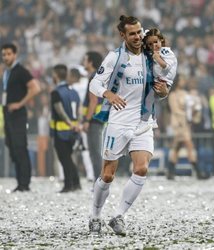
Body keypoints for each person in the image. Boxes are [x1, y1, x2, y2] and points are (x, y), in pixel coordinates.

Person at [88, 15, 169, 235]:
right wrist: (109, 94)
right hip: (118, 122)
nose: (137, 36)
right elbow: (94, 83)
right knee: (107, 175)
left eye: (139, 32)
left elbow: (161, 87)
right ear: (123, 35)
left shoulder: (150, 57)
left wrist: (164, 92)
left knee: (141, 169)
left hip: (143, 122)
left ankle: (119, 216)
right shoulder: (115, 57)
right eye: (132, 33)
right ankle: (95, 216)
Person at [1, 43, 40, 192]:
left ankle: (25, 183)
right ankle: (20, 182)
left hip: (18, 115)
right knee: (12, 147)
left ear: (15, 54)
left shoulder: (20, 71)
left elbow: (36, 87)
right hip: (8, 114)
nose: (6, 57)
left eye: (8, 54)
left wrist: (20, 103)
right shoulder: (7, 72)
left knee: (20, 148)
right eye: (4, 54)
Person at [134, 28, 177, 136]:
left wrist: (157, 58)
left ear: (161, 40)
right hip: (156, 80)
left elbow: (166, 68)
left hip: (163, 82)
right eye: (150, 44)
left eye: (156, 42)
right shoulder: (152, 52)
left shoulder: (166, 51)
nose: (154, 45)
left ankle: (145, 121)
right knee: (147, 98)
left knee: (148, 97)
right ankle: (152, 120)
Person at [167, 74, 209, 180]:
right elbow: (175, 110)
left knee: (177, 147)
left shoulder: (186, 94)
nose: (183, 82)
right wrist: (186, 115)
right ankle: (198, 171)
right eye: (181, 80)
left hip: (185, 124)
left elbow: (191, 108)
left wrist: (195, 112)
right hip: (178, 124)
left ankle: (170, 171)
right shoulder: (173, 95)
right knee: (189, 145)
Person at [50, 64, 81, 192]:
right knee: (69, 157)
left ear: (56, 75)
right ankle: (76, 183)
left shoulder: (56, 92)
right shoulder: (73, 91)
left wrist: (69, 123)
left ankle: (69, 185)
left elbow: (60, 111)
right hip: (73, 131)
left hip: (61, 130)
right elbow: (79, 110)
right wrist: (76, 124)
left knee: (64, 158)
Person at [68, 67, 95, 182]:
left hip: (74, 119)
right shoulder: (86, 83)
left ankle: (65, 175)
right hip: (85, 117)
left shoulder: (71, 87)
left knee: (72, 148)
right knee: (86, 148)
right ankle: (91, 174)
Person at [82, 51, 104, 181]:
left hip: (94, 119)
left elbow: (93, 101)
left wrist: (86, 119)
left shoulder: (94, 78)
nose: (83, 62)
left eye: (85, 60)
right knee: (95, 151)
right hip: (99, 118)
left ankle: (99, 181)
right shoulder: (99, 76)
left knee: (95, 152)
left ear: (90, 62)